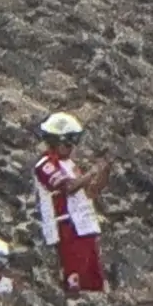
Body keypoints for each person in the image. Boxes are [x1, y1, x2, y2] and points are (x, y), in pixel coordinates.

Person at [33, 113, 111, 295]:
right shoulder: (45, 164)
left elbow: (90, 192)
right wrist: (91, 173)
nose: (72, 148)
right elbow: (68, 187)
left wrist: (103, 172)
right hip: (66, 225)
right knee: (74, 276)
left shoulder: (70, 164)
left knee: (93, 278)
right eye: (68, 143)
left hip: (84, 224)